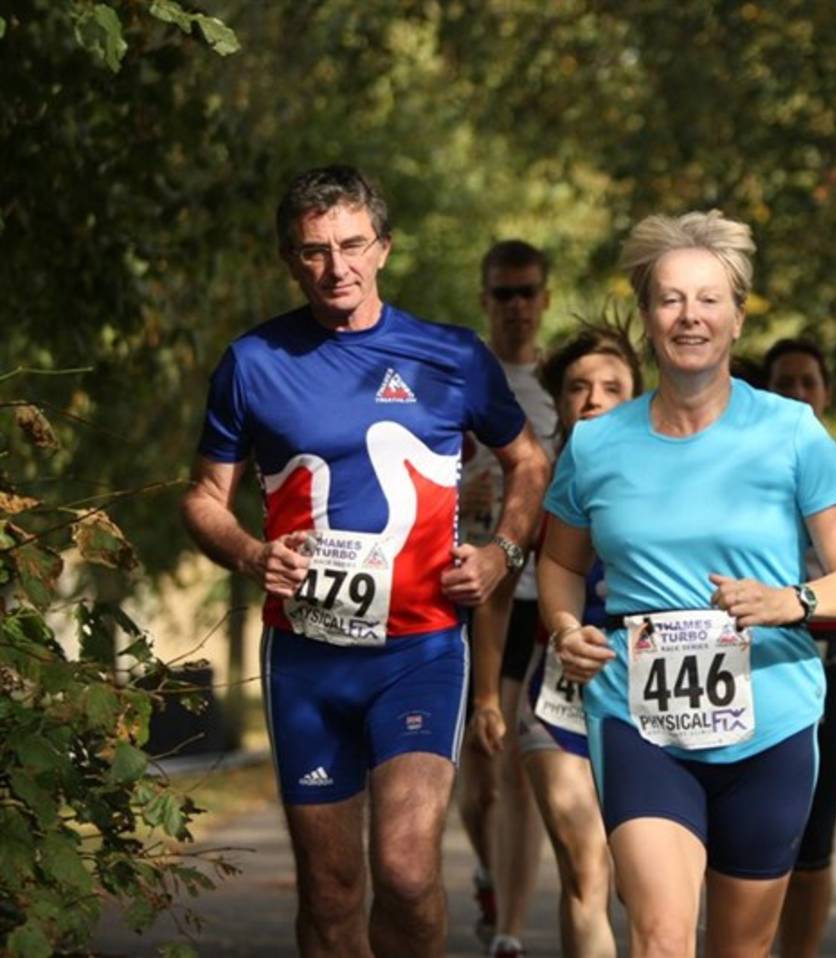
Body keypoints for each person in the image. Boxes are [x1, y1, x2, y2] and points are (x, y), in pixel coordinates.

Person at [179, 165, 550, 957]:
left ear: (382, 248)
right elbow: (205, 498)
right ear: (291, 259)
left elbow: (530, 463)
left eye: (352, 245)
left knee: (408, 871)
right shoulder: (253, 362)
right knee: (332, 888)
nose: (335, 267)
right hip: (308, 659)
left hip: (419, 650)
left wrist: (502, 553)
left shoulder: (450, 356)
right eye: (314, 251)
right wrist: (250, 553)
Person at [539, 211, 836, 957]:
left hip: (772, 718)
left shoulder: (791, 431)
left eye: (708, 299)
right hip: (640, 720)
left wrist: (793, 601)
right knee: (660, 936)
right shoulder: (597, 444)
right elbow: (560, 564)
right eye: (670, 299)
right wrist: (566, 631)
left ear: (737, 315)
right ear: (647, 315)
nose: (689, 316)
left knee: (740, 950)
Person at [488, 321, 645, 958]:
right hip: (559, 698)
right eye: (578, 387)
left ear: (639, 395)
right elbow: (496, 591)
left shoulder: (674, 475)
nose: (594, 398)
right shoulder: (538, 483)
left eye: (612, 386)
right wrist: (484, 698)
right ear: (557, 401)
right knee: (586, 866)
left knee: (645, 882)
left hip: (654, 699)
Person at [457, 240, 559, 957]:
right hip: (467, 589)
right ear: (485, 300)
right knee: (478, 779)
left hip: (537, 595)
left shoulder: (566, 386)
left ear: (545, 298)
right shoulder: (460, 376)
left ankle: (511, 934)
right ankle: (490, 870)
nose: (517, 305)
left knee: (520, 771)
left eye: (527, 291)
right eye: (503, 293)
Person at [762, 338, 836, 958]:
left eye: (808, 383)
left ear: (826, 394)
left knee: (815, 846)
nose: (798, 394)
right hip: (753, 668)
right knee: (754, 840)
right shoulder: (738, 466)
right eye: (784, 384)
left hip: (829, 668)